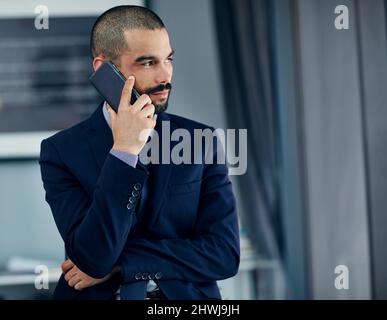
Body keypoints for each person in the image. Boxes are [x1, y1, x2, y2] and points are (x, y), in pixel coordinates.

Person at [39, 5, 239, 300]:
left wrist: (123, 264)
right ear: (103, 69)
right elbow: (93, 257)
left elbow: (223, 254)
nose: (165, 75)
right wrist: (124, 152)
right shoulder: (60, 152)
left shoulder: (201, 140)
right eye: (147, 63)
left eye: (168, 60)